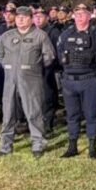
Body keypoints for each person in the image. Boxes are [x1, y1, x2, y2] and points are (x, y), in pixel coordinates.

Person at [0, 6, 56, 159]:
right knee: (8, 113)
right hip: (10, 80)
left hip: (31, 79)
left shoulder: (40, 36)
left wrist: (33, 68)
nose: (20, 19)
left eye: (24, 17)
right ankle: (5, 146)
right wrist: (10, 66)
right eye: (18, 17)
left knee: (33, 112)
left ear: (30, 19)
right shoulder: (6, 36)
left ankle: (38, 144)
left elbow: (49, 57)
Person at [57, 4, 96, 159]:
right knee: (72, 115)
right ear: (73, 16)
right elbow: (59, 53)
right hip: (69, 81)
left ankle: (92, 147)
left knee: (91, 114)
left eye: (83, 13)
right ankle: (72, 146)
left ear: (89, 16)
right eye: (77, 13)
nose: (80, 16)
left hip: (88, 80)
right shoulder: (66, 34)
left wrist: (94, 65)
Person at [33, 8, 61, 137]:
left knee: (48, 97)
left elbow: (57, 51)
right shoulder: (30, 32)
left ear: (47, 18)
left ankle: (48, 124)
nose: (37, 19)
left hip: (48, 69)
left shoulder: (53, 32)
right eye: (35, 17)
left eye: (41, 17)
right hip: (32, 71)